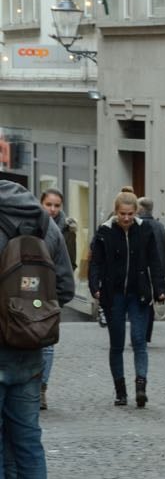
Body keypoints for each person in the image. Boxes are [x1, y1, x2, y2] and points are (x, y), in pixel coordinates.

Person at [0, 180, 75, 477]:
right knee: (28, 441)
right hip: (30, 351)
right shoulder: (45, 222)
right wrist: (30, 313)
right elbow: (66, 288)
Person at [88, 187, 165, 408]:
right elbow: (96, 263)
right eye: (122, 214)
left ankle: (140, 386)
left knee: (139, 340)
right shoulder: (104, 232)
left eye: (130, 214)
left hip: (138, 293)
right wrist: (95, 286)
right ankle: (120, 391)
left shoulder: (145, 231)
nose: (126, 218)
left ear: (136, 213)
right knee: (117, 344)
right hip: (113, 295)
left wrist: (160, 288)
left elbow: (155, 261)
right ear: (116, 212)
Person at [38, 188, 78, 410]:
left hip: (51, 293)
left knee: (48, 344)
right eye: (49, 204)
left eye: (56, 205)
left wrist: (60, 297)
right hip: (32, 292)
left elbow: (69, 263)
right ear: (41, 203)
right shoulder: (33, 223)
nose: (53, 209)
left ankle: (41, 388)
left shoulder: (66, 228)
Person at [137, 197, 165, 343]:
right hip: (157, 271)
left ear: (141, 208)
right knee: (149, 303)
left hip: (144, 271)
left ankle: (141, 334)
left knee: (141, 303)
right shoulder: (160, 226)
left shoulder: (140, 225)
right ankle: (146, 334)